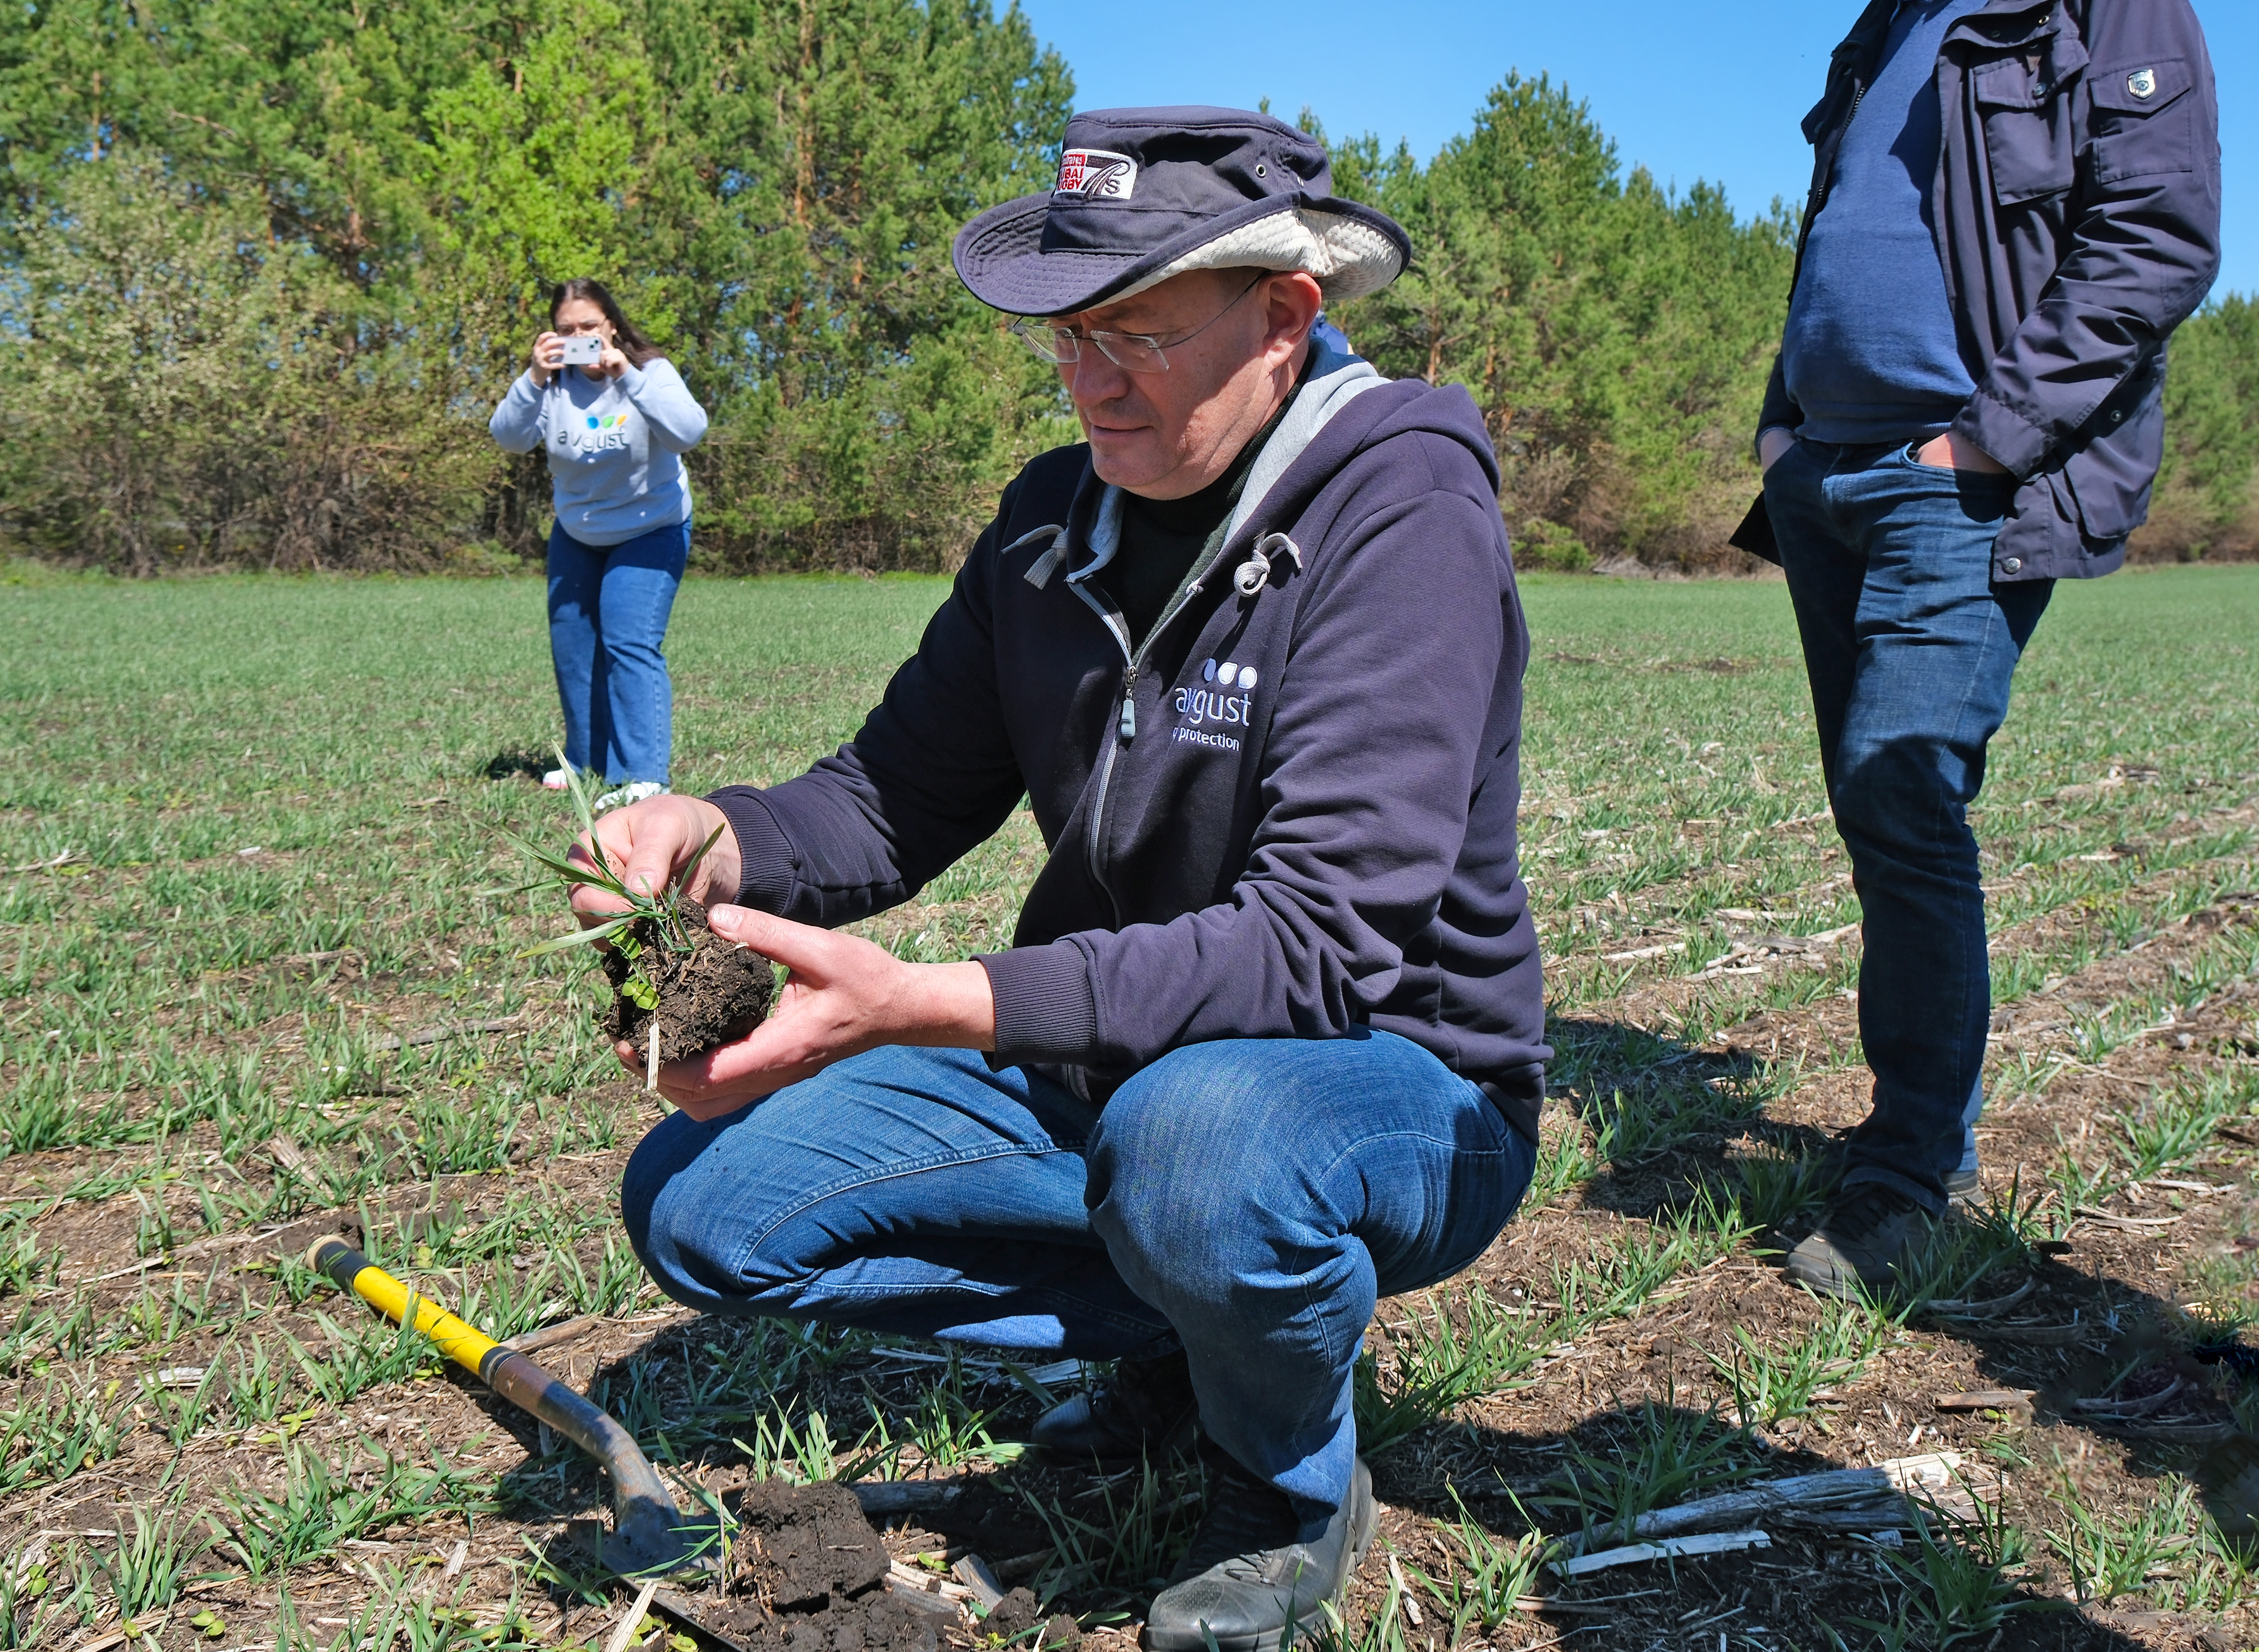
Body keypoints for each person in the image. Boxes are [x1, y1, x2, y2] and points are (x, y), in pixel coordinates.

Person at [566, 109, 1547, 1651]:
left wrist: (929, 1007)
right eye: (1068, 338)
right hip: (1108, 1065)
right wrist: (714, 840)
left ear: (1282, 318)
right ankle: (1190, 1340)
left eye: (1136, 338)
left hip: (1390, 1079)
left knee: (1197, 1152)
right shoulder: (1049, 522)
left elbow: (1321, 946)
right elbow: (888, 799)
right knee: (707, 1207)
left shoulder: (1399, 507)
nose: (1089, 383)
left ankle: (1288, 1485)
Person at [1733, 0, 2219, 1296]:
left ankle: (1910, 1166)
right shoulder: (1877, 29)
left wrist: (1988, 441)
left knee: (1900, 772)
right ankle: (1914, 1118)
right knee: (1879, 810)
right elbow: (1837, 241)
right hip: (1830, 476)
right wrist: (1784, 430)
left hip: (1962, 473)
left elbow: (2153, 243)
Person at [489, 279, 710, 804]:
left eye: (589, 326)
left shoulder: (651, 372)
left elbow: (688, 431)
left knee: (628, 640)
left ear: (611, 324)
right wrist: (534, 375)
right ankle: (585, 760)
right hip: (578, 531)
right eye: (566, 330)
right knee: (573, 646)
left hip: (651, 526)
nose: (579, 337)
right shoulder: (550, 385)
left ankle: (644, 774)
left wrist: (626, 376)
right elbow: (509, 436)